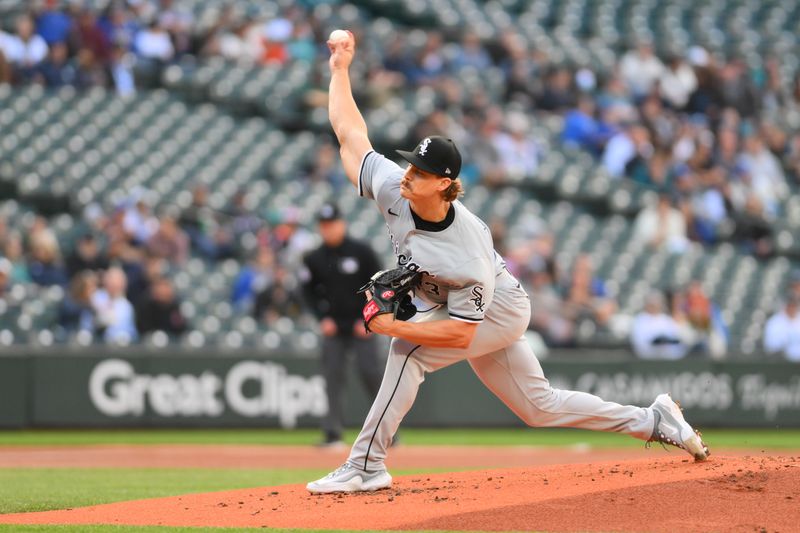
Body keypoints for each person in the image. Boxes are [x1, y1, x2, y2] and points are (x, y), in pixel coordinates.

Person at [306, 32, 709, 494]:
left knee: (407, 353)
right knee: (539, 407)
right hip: (458, 306)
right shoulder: (393, 185)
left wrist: (393, 328)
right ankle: (653, 420)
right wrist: (340, 69)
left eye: (419, 173)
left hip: (499, 310)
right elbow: (349, 133)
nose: (407, 176)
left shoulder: (467, 249)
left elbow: (460, 333)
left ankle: (365, 466)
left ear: (444, 184)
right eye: (409, 167)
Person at [299, 202, 384, 447]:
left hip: (363, 326)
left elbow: (379, 286)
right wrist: (321, 318)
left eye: (332, 224)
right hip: (333, 327)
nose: (328, 229)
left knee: (371, 374)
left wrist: (369, 319)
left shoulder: (362, 251)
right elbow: (307, 292)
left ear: (342, 224)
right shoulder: (314, 258)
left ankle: (387, 432)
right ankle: (332, 433)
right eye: (324, 225)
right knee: (332, 377)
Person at [763, 294, 800, 362]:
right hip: (782, 362)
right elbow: (770, 345)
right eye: (790, 305)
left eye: (794, 305)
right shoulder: (774, 322)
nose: (792, 308)